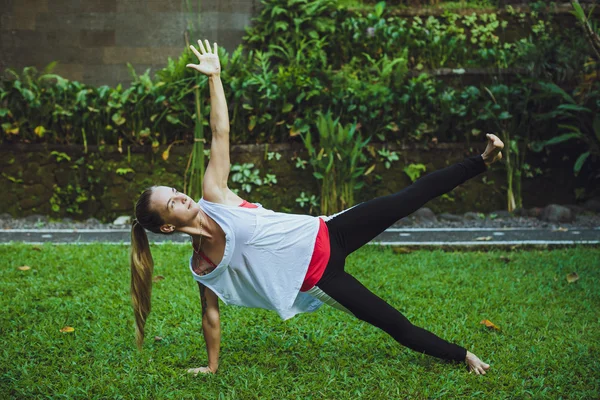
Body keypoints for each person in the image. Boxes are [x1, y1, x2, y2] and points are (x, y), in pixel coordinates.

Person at [130, 39, 501, 376]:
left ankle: (482, 160)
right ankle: (463, 356)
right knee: (393, 323)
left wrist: (215, 78)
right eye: (172, 202)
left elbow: (220, 132)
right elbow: (210, 314)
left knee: (408, 198)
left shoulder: (216, 195)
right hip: (322, 279)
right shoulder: (203, 266)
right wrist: (212, 367)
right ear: (167, 226)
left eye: (176, 190)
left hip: (330, 230)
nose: (182, 196)